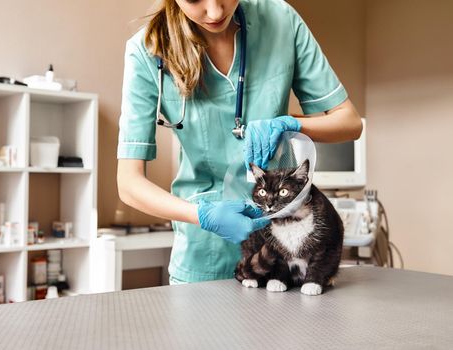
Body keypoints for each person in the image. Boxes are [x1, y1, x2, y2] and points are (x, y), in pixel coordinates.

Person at [117, 0, 362, 284]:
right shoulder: (147, 51)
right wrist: (201, 215)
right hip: (204, 251)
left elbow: (349, 123)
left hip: (286, 251)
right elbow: (129, 184)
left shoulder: (280, 19)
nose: (215, 12)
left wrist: (291, 122)